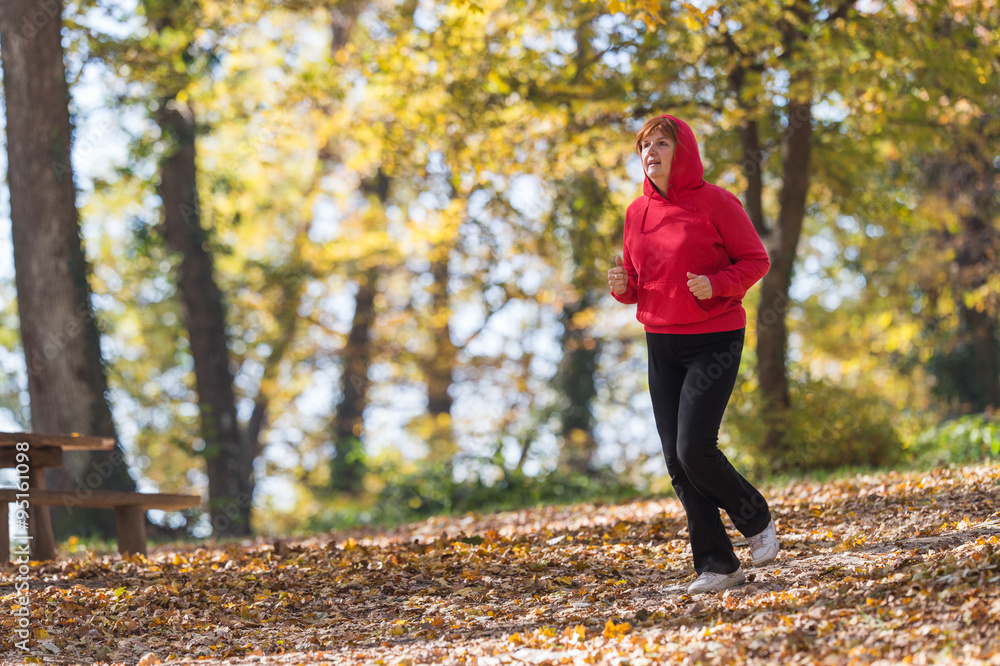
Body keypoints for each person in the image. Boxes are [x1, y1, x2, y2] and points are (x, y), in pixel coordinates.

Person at [607, 114, 779, 594]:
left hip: (713, 337)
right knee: (676, 463)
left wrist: (716, 284)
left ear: (683, 152)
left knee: (694, 448)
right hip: (661, 343)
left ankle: (756, 516)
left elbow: (755, 260)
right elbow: (642, 282)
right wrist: (624, 288)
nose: (651, 152)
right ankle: (718, 565)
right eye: (645, 145)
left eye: (662, 143)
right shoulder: (635, 213)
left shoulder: (716, 203)